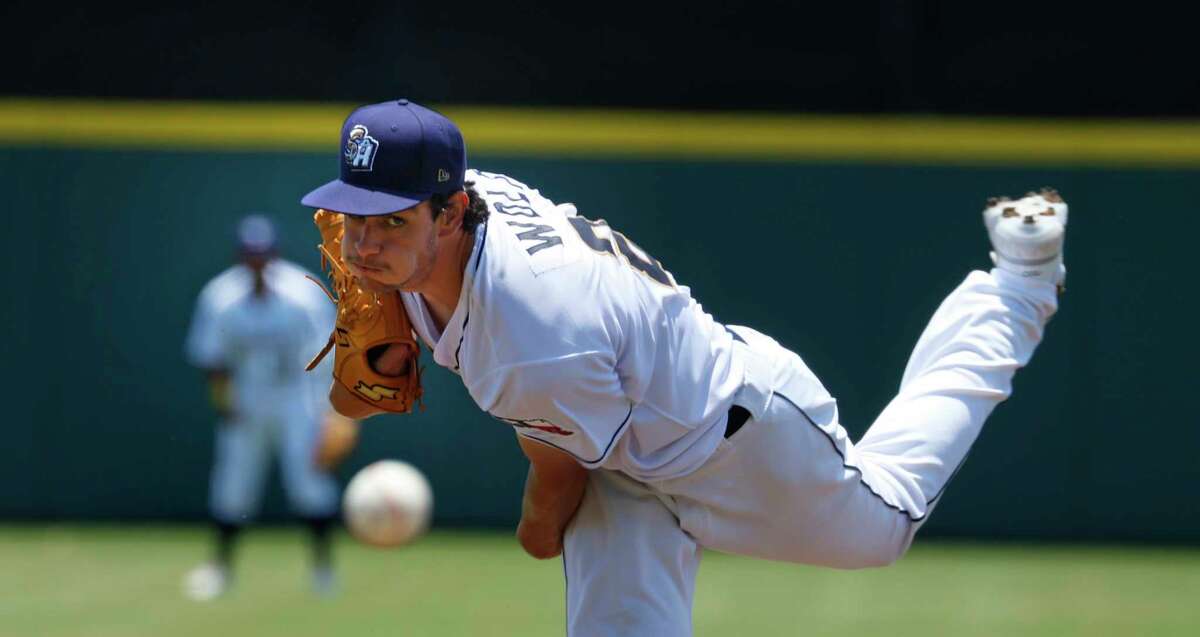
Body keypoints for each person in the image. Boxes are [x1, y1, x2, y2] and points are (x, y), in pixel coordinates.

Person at [300, 100, 1068, 635]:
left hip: (731, 434)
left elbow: (555, 482)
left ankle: (1018, 283)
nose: (363, 245)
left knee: (885, 524)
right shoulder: (471, 197)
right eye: (355, 215)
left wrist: (535, 532)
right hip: (625, 453)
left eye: (391, 221)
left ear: (449, 212)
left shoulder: (533, 333)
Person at [182, 215, 346, 600]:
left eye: (263, 253)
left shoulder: (302, 292)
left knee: (309, 485)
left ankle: (323, 571)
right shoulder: (221, 296)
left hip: (297, 400)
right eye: (250, 254)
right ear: (240, 256)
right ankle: (220, 569)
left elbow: (331, 350)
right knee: (233, 486)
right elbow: (212, 360)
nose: (257, 261)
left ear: (274, 253)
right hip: (247, 399)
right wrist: (225, 404)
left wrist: (331, 412)